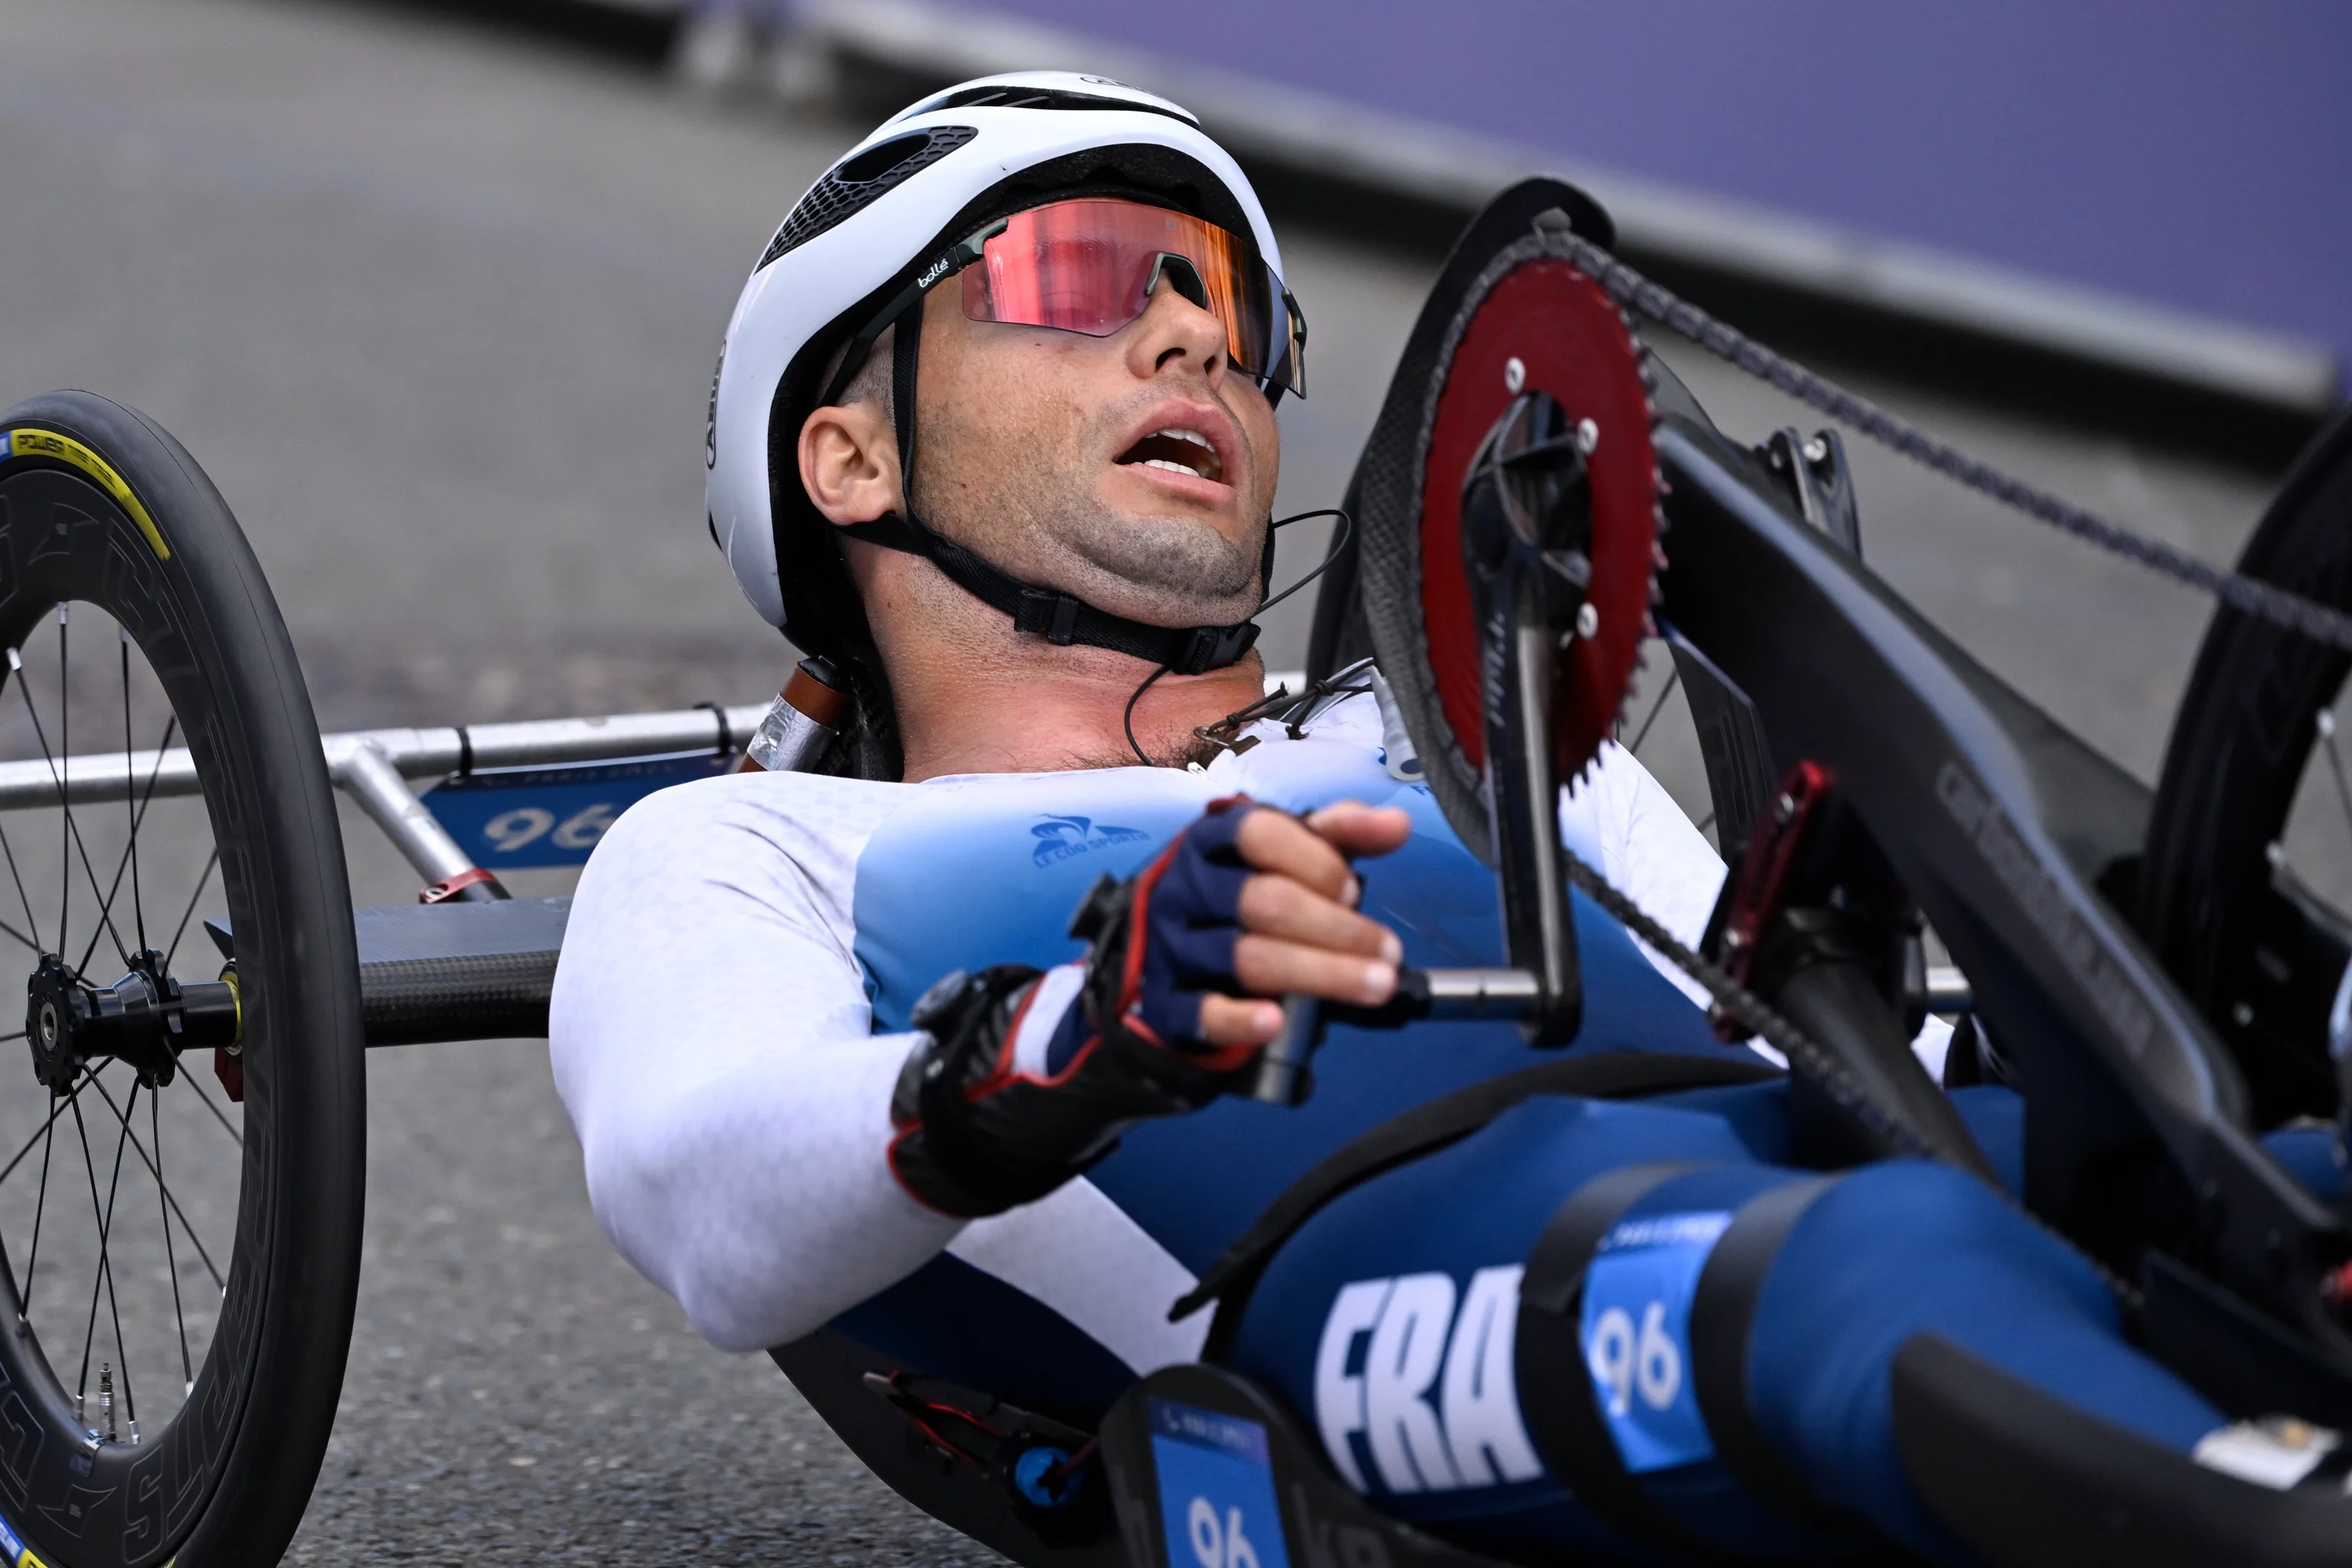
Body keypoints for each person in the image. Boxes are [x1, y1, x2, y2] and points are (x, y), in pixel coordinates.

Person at [550, 72, 2346, 1566]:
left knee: (2273, 1183)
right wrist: (1084, 1028)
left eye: (1236, 315)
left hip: (1802, 1162)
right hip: (1383, 1296)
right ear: (847, 454)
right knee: (1880, 1274)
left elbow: (1868, 1041)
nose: (1193, 334)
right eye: (1079, 273)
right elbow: (711, 1205)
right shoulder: (753, 851)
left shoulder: (1461, 735)